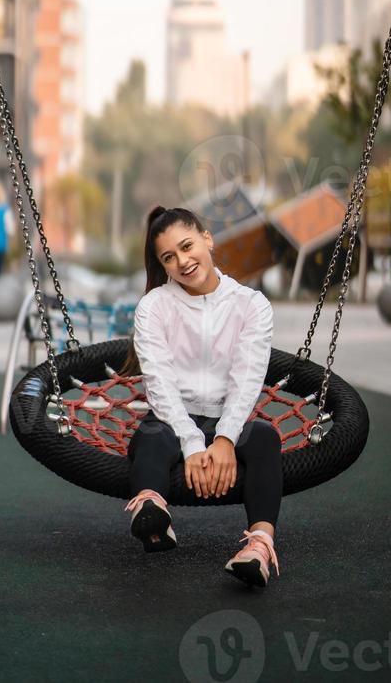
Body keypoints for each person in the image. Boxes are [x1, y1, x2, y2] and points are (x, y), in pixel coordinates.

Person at [119, 204, 282, 589]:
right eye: (169, 257)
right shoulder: (154, 306)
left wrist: (225, 438)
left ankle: (258, 547)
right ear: (162, 264)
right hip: (174, 417)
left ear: (207, 239)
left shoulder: (251, 305)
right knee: (151, 437)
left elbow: (247, 377)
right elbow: (159, 383)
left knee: (265, 440)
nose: (183, 261)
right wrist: (192, 443)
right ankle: (151, 513)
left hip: (230, 417)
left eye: (188, 246)